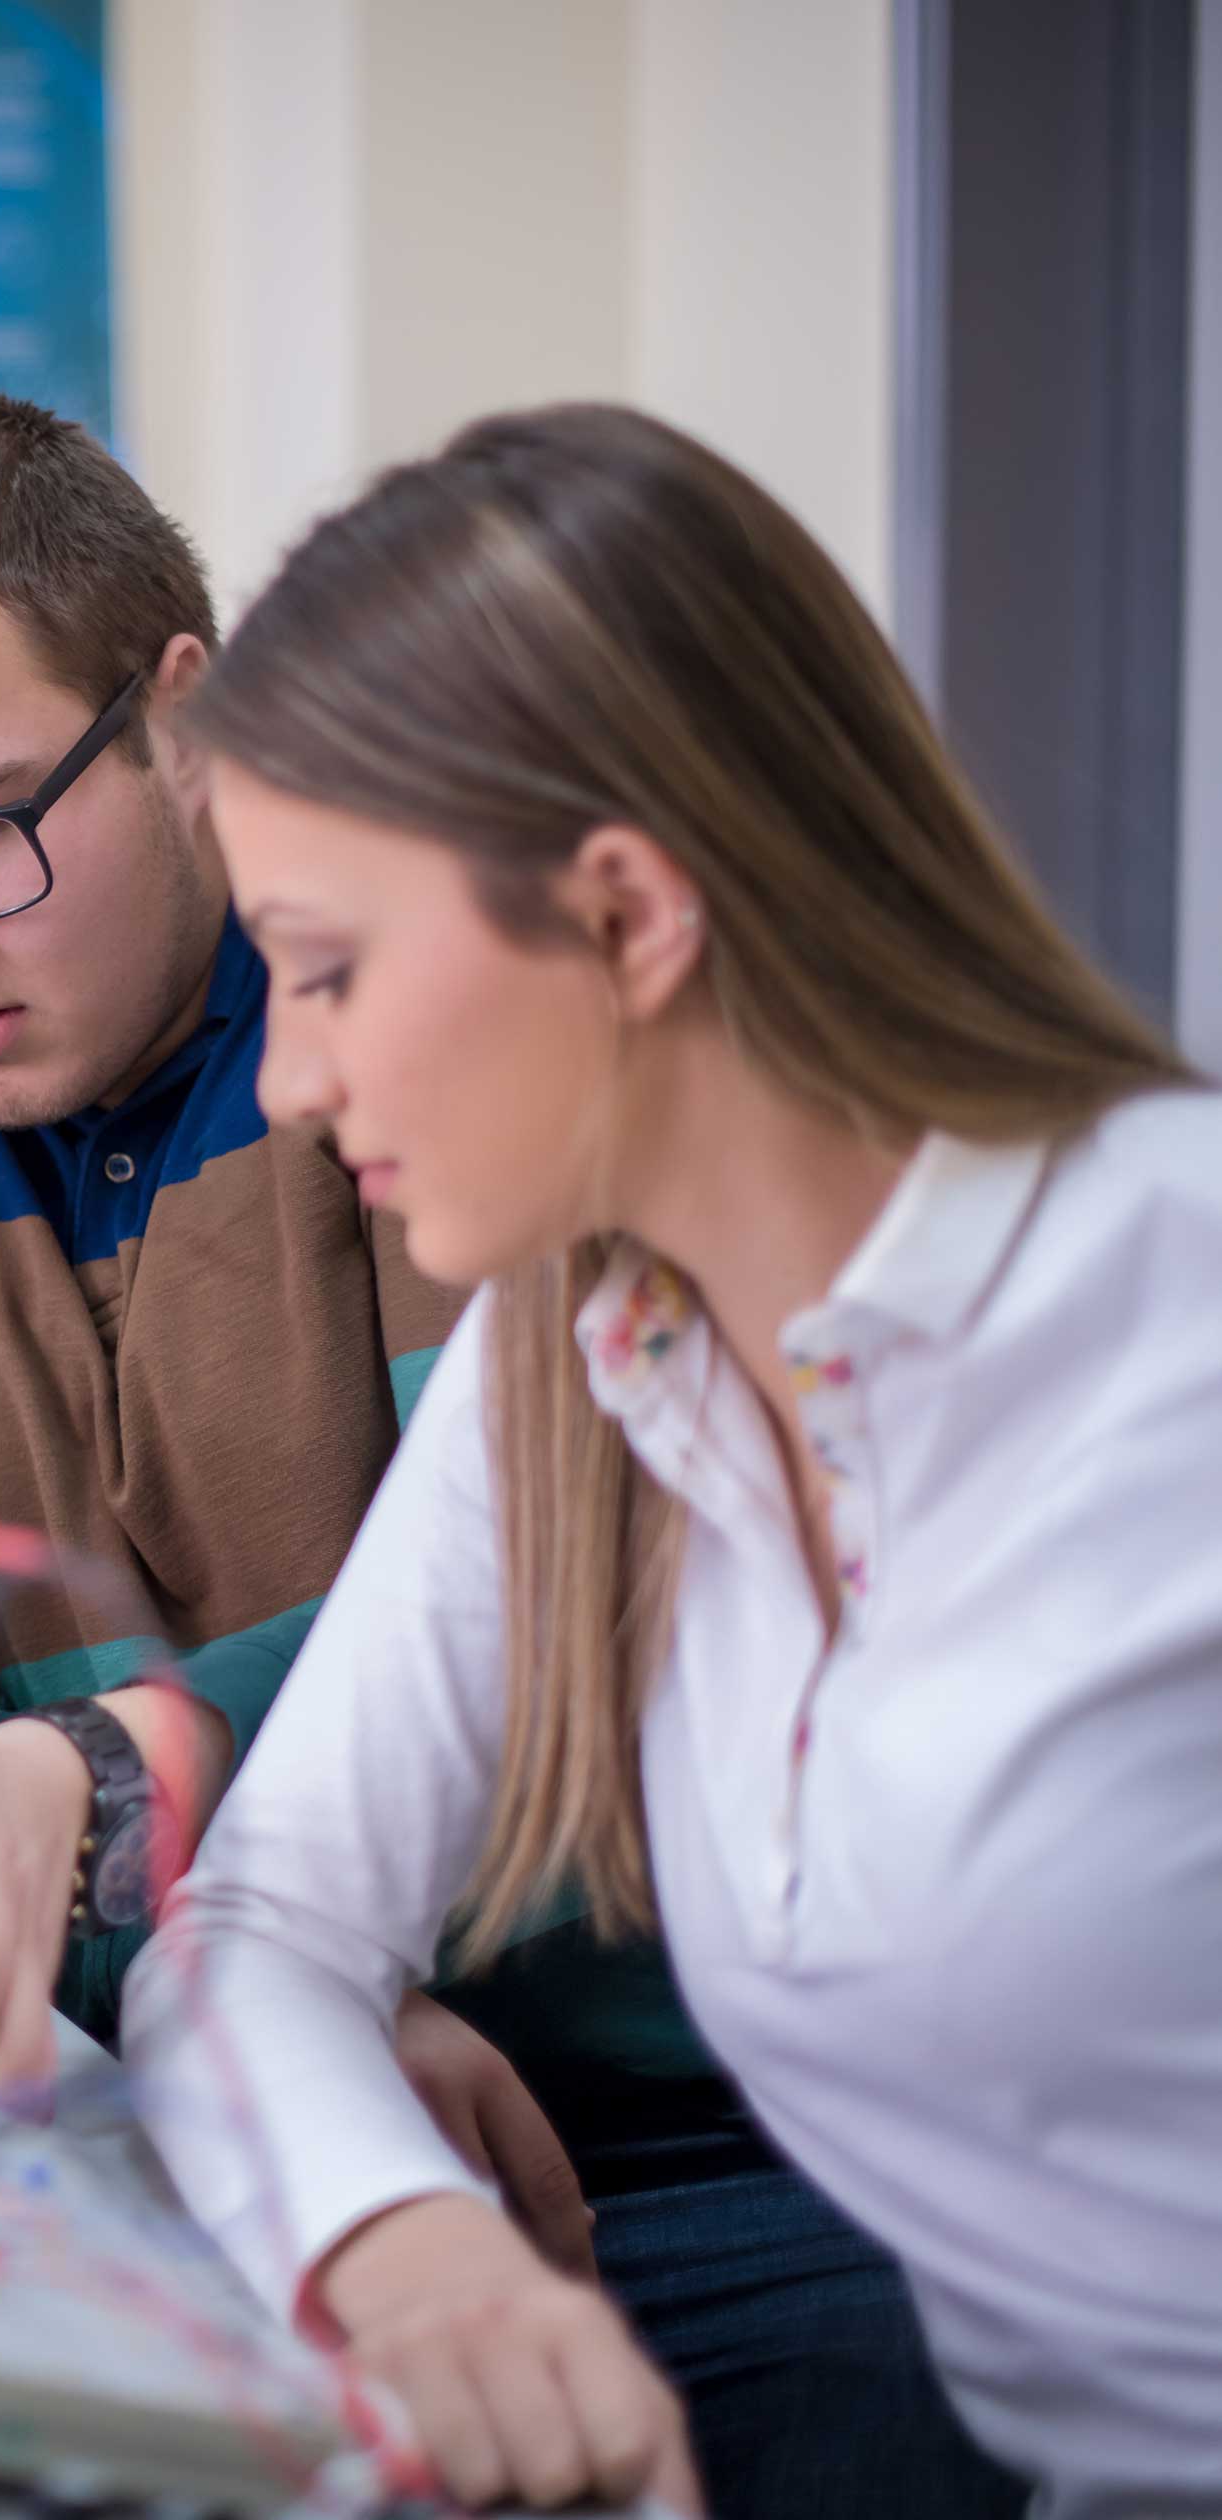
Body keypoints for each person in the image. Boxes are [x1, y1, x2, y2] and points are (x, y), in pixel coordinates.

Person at [0, 389, 1011, 2516]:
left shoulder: (478, 1087)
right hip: (214, 2081)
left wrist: (98, 1794)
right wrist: (247, 2010)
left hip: (710, 2149)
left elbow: (562, 1671)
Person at [127, 403, 1221, 2517]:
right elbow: (251, 1929)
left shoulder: (1173, 1313)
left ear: (628, 915)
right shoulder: (584, 1354)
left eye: (331, 969)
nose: (282, 1079)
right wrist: (403, 2245)